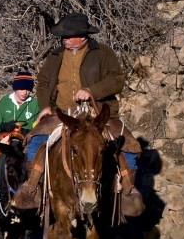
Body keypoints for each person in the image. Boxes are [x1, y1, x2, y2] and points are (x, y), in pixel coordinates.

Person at [13, 13, 142, 211]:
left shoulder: (102, 54)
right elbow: (44, 83)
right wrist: (45, 105)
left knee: (129, 147)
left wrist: (92, 91)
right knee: (34, 143)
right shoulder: (55, 56)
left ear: (82, 36)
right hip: (63, 113)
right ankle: (32, 187)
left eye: (67, 36)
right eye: (63, 37)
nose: (63, 39)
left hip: (97, 114)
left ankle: (128, 191)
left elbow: (117, 79)